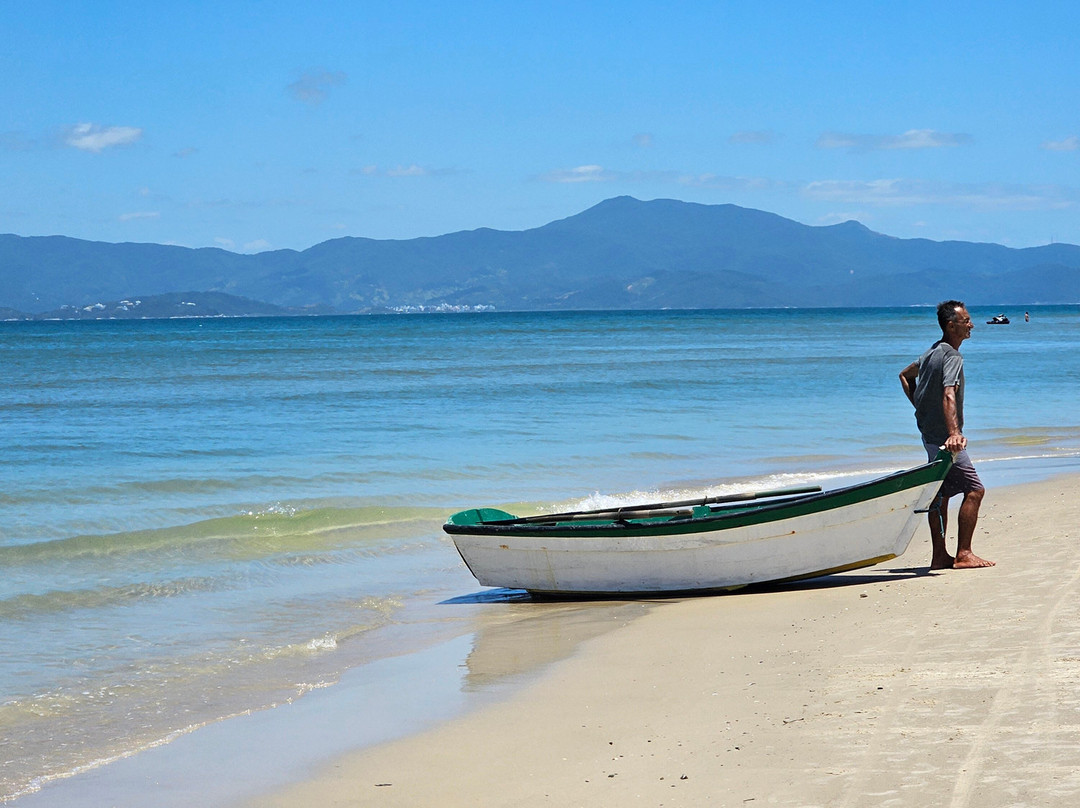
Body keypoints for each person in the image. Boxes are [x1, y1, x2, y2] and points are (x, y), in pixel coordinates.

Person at [899, 301, 995, 570]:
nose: (971, 324)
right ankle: (964, 553)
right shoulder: (952, 356)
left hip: (928, 435)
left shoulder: (931, 353)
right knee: (975, 490)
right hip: (945, 439)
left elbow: (905, 376)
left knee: (940, 495)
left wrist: (919, 407)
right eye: (966, 321)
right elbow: (948, 392)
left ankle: (940, 556)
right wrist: (954, 433)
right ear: (951, 325)